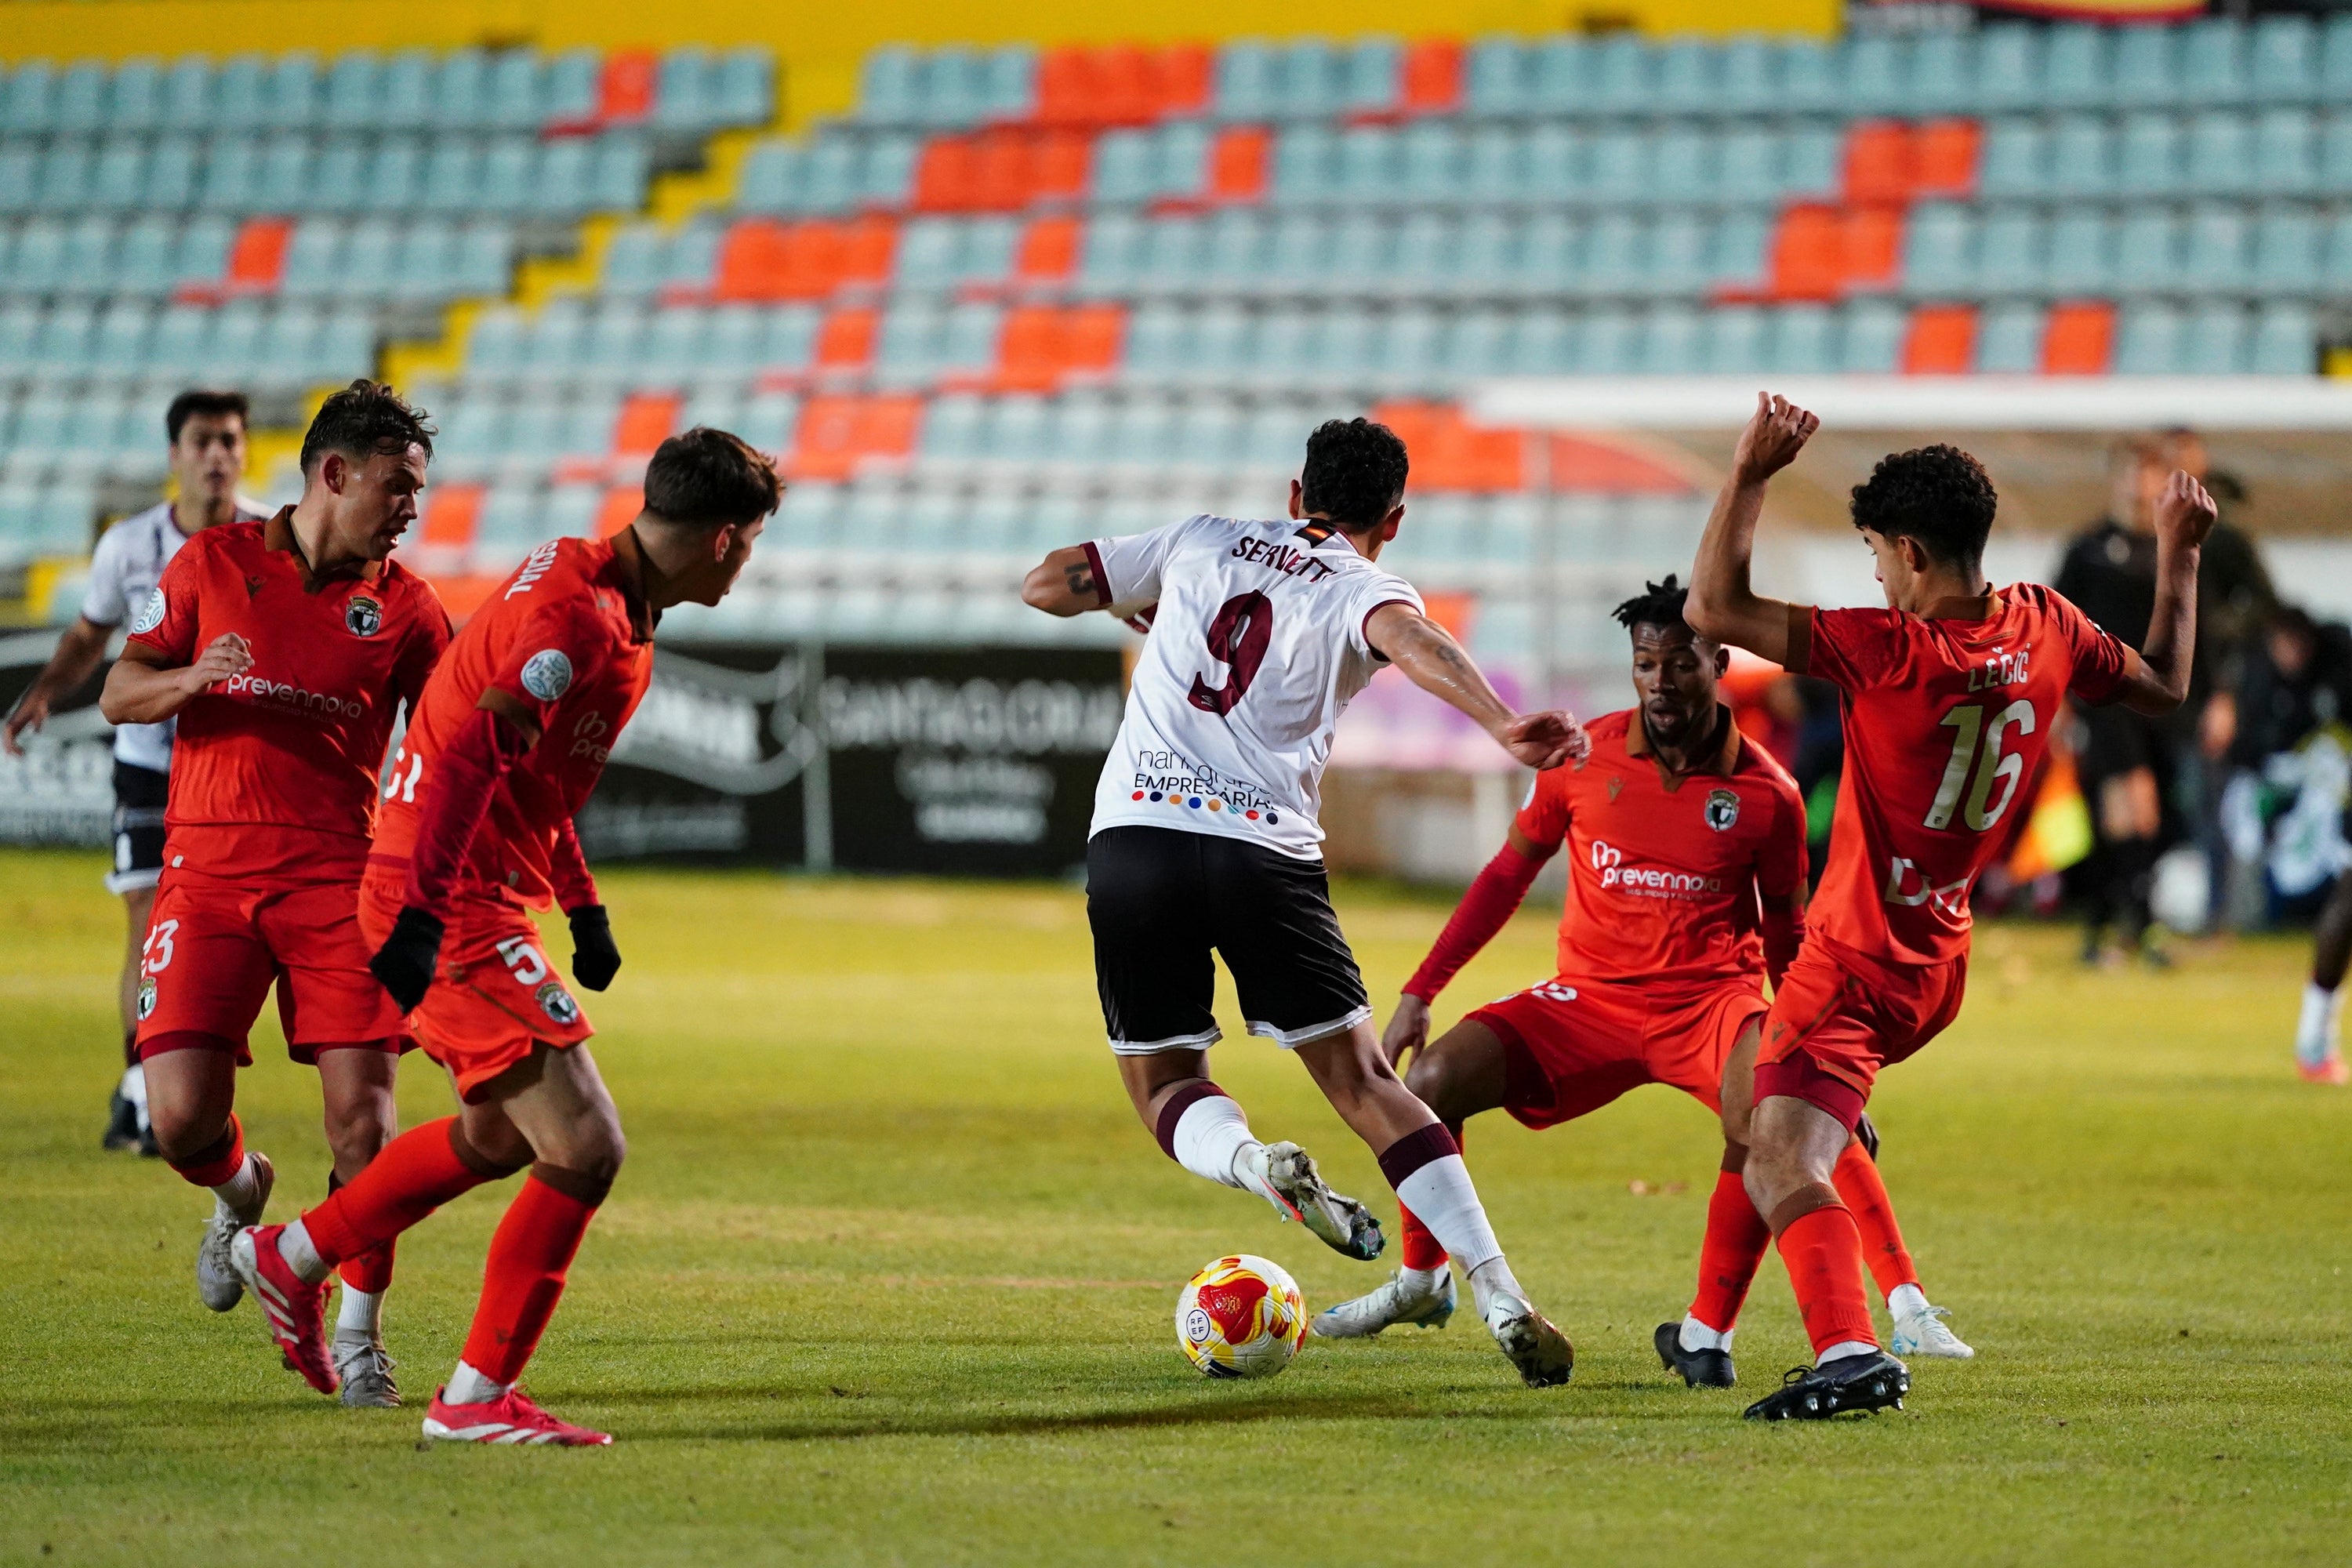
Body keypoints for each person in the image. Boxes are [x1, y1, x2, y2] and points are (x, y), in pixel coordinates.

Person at [225, 427, 781, 1446]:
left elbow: (533, 780)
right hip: (451, 900)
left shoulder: (594, 589)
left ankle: (291, 1255)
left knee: (497, 1135)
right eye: (751, 543)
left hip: (467, 892)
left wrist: (582, 905)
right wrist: (424, 914)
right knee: (587, 1145)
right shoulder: (579, 620)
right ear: (724, 538)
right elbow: (475, 751)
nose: (748, 563)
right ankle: (474, 1398)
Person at [1019, 417, 1589, 1388]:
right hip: (1263, 852)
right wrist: (1501, 721)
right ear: (1394, 519)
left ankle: (1255, 1165)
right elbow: (1413, 641)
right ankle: (1497, 1287)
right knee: (1366, 1081)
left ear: (1296, 492)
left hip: (1139, 839)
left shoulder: (1199, 540)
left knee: (1163, 1082)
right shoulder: (1365, 586)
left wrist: (1141, 604)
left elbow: (1045, 583)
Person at [1686, 393, 2209, 1421]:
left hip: (1855, 956)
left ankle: (1849, 1350)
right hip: (1938, 960)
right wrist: (2178, 553)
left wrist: (1749, 474)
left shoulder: (1891, 648)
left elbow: (1713, 607)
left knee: (1779, 1154)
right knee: (1760, 1116)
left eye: (1878, 555)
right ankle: (1709, 1329)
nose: (1877, 576)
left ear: (1914, 554)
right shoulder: (2048, 624)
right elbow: (2164, 683)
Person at [1312, 576, 1972, 1381]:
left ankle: (1769, 1324)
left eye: (1680, 663)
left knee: (1773, 1118)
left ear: (1718, 664)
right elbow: (1506, 876)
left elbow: (1786, 935)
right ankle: (1423, 1280)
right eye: (1646, 663)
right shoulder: (1582, 758)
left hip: (1711, 1003)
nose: (1661, 681)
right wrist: (1421, 990)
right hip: (1588, 1002)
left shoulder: (1769, 794)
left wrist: (1820, 1061)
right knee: (1434, 1078)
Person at [96, 381, 452, 1408]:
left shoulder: (410, 608)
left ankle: (359, 1334)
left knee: (365, 1126)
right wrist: (190, 680)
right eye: (397, 485)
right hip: (206, 871)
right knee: (178, 1119)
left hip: (341, 877)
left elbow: (451, 743)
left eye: (417, 489)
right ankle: (240, 1193)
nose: (411, 508)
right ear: (334, 472)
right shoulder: (211, 564)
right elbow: (120, 689)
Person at [4, 390, 267, 1154]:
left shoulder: (268, 539)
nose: (217, 454)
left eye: (229, 440)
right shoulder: (128, 544)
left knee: (230, 927)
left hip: (233, 766)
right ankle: (140, 1083)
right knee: (151, 920)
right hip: (151, 762)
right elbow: (91, 635)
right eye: (202, 440)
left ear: (244, 451)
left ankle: (170, 1084)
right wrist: (45, 692)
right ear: (175, 454)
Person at [2053, 441, 2174, 967]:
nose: (2138, 485)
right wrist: (2057, 698)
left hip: (2159, 701)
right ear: (2115, 481)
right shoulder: (2088, 548)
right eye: (2129, 474)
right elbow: (2055, 624)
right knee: (2132, 802)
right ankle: (2139, 926)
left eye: (2147, 475)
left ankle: (2106, 928)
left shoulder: (2172, 549)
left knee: (2135, 815)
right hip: (2103, 696)